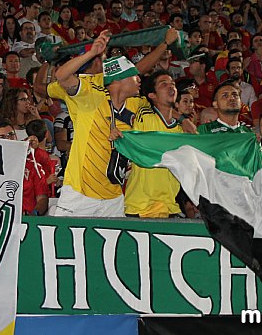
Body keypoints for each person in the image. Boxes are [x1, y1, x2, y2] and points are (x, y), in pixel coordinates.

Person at [48, 32, 146, 217]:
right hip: (80, 191)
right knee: (66, 243)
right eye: (133, 75)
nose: (139, 79)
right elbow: (62, 76)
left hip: (113, 196)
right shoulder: (91, 97)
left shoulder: (136, 104)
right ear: (117, 81)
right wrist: (91, 53)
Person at [125, 71, 195, 218]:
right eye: (164, 84)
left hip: (170, 206)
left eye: (173, 84)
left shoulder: (182, 130)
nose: (171, 87)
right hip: (141, 206)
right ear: (152, 95)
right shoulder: (144, 116)